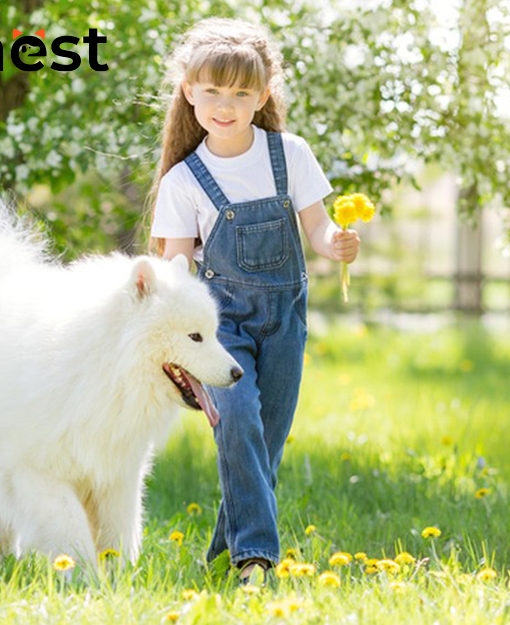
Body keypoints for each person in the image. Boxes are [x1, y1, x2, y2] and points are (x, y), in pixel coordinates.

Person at [145, 17, 361, 584]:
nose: (225, 104)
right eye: (212, 91)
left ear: (262, 95)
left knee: (265, 443)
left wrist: (335, 242)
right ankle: (257, 561)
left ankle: (220, 558)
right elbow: (177, 261)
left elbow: (316, 228)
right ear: (189, 91)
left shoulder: (289, 154)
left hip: (285, 321)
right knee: (237, 422)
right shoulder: (184, 181)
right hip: (221, 330)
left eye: (241, 93)